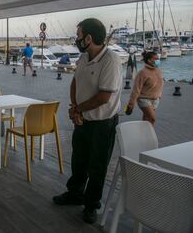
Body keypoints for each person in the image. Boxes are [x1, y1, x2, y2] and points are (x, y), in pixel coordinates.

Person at [53, 18, 122, 224]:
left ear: (89, 38)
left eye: (79, 35)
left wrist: (77, 109)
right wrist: (76, 110)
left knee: (97, 166)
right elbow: (75, 82)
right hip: (83, 120)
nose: (77, 39)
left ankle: (91, 204)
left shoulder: (111, 60)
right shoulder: (84, 58)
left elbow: (104, 97)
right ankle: (75, 194)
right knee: (79, 160)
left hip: (102, 123)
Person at [126, 51, 163, 125]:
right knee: (152, 119)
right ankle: (150, 136)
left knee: (146, 119)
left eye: (158, 59)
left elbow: (160, 85)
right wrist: (130, 105)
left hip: (155, 100)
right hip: (144, 99)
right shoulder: (142, 73)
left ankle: (143, 135)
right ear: (149, 60)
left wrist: (159, 96)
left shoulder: (159, 71)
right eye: (156, 59)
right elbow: (136, 89)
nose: (158, 60)